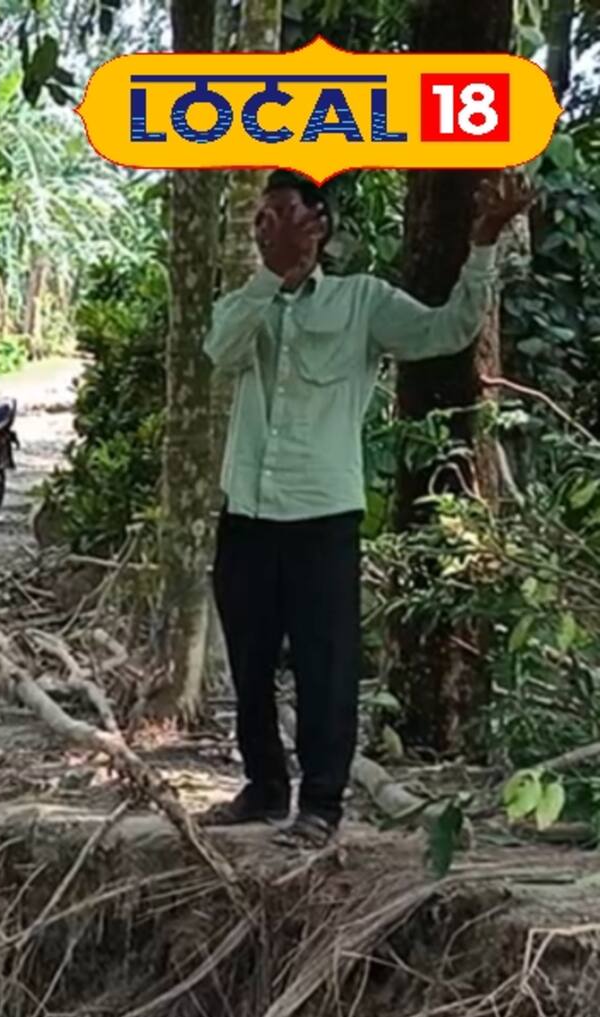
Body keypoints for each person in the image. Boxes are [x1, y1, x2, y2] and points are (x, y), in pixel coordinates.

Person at [203, 169, 532, 847]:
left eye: (281, 213)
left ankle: (321, 804)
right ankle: (264, 786)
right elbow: (219, 353)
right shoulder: (244, 304)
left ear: (318, 224)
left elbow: (448, 329)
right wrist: (270, 280)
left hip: (322, 517)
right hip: (247, 516)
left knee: (325, 664)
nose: (265, 226)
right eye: (260, 217)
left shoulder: (361, 301)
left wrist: (483, 244)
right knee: (249, 661)